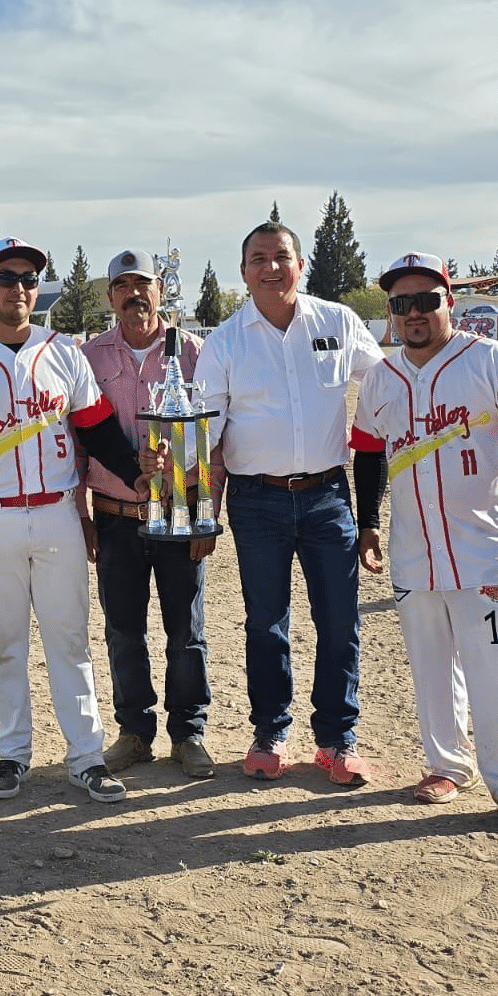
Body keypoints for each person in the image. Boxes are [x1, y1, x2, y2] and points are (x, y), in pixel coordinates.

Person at [0, 237, 149, 804]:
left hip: (56, 514)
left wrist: (136, 476)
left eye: (28, 278)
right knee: (4, 644)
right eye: (6, 277)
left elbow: (95, 428)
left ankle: (86, 757)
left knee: (71, 641)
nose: (19, 287)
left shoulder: (63, 351)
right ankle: (11, 754)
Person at [352, 252, 498, 837]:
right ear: (390, 314)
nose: (413, 313)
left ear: (449, 302)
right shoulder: (382, 380)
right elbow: (368, 454)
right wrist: (367, 523)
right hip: (414, 550)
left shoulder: (490, 360)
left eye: (425, 300)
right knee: (431, 665)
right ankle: (447, 765)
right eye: (401, 304)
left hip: (487, 546)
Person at [194, 221, 384, 785]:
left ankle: (337, 739)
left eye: (281, 257)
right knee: (266, 623)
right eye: (259, 259)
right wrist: (195, 505)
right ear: (243, 272)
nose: (271, 268)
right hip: (257, 502)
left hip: (328, 495)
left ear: (300, 265)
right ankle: (271, 733)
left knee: (340, 621)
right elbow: (203, 438)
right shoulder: (225, 342)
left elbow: (386, 388)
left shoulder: (338, 322)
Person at [77, 249, 214, 778]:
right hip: (115, 515)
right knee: (123, 630)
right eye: (123, 286)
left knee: (186, 630)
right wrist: (81, 515)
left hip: (180, 514)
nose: (135, 295)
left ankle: (189, 733)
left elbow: (215, 443)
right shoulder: (89, 357)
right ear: (111, 296)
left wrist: (207, 514)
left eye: (144, 285)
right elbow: (77, 442)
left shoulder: (196, 354)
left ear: (161, 291)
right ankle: (134, 732)